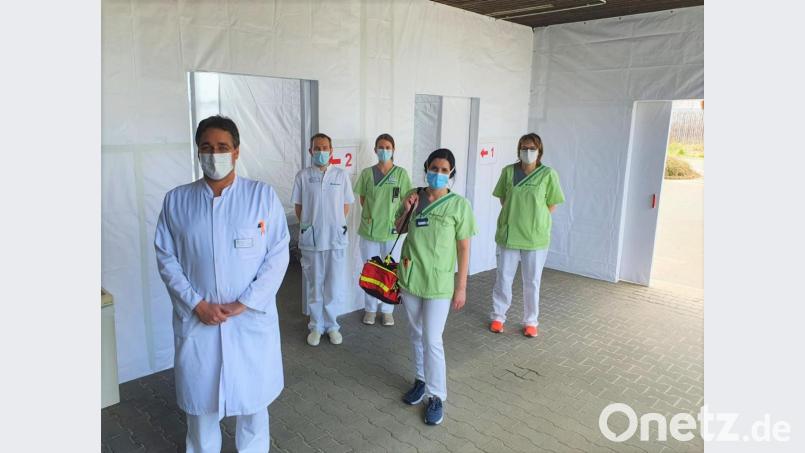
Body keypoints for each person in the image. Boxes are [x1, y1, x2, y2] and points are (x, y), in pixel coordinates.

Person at [154, 115, 290, 453]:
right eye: (207, 147)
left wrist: (246, 302)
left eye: (222, 147)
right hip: (198, 322)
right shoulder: (176, 201)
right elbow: (166, 257)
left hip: (249, 323)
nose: (214, 154)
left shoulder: (261, 197)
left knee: (253, 412)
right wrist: (196, 303)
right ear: (197, 152)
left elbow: (277, 255)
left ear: (237, 151)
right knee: (201, 414)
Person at [394, 149, 477, 426]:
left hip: (440, 283)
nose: (438, 174)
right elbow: (397, 229)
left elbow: (464, 247)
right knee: (416, 333)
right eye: (434, 168)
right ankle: (420, 380)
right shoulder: (414, 195)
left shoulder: (459, 205)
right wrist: (406, 209)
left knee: (432, 339)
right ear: (426, 168)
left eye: (444, 170)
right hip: (411, 277)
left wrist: (461, 286)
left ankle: (437, 395)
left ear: (451, 174)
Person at [489, 133, 565, 337]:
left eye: (532, 148)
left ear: (539, 151)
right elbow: (503, 198)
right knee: (503, 278)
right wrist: (514, 216)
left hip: (535, 237)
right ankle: (498, 316)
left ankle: (531, 321)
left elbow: (552, 204)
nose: (527, 152)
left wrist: (535, 220)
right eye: (524, 148)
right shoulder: (508, 171)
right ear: (518, 150)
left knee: (532, 281)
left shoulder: (548, 174)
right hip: (509, 234)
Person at [291, 133, 355, 346]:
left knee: (333, 285)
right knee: (314, 285)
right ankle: (316, 326)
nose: (321, 151)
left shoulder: (340, 175)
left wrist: (335, 224)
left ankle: (332, 325)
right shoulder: (303, 176)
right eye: (317, 148)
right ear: (310, 151)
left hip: (335, 239)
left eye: (325, 147)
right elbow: (298, 207)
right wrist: (310, 226)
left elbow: (346, 204)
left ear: (331, 150)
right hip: (312, 241)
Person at [353, 133, 412, 326]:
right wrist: (373, 215)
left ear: (393, 150)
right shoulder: (367, 174)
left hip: (391, 232)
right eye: (381, 147)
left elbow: (406, 200)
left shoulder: (401, 174)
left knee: (390, 272)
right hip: (370, 230)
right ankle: (370, 309)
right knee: (370, 270)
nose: (384, 150)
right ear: (375, 150)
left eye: (387, 147)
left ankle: (387, 310)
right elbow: (363, 199)